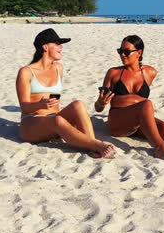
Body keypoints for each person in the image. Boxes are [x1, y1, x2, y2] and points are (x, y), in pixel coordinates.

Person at [94, 35, 164, 160]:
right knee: (146, 104)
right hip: (118, 122)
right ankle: (159, 148)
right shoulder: (113, 73)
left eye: (126, 52)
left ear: (139, 53)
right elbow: (98, 109)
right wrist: (101, 102)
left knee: (163, 127)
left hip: (139, 119)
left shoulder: (150, 72)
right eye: (120, 51)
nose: (122, 55)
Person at [16, 28, 115, 158]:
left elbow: (57, 103)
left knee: (77, 104)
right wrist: (40, 105)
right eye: (57, 44)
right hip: (32, 124)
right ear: (45, 47)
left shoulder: (58, 68)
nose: (61, 47)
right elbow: (24, 106)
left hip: (55, 121)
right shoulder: (26, 72)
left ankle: (91, 144)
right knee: (56, 119)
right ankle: (96, 145)